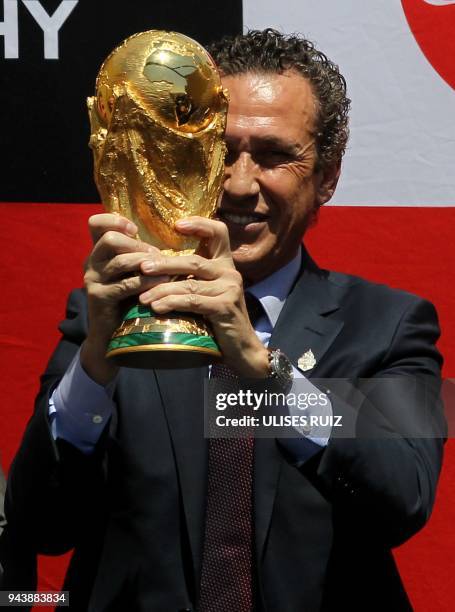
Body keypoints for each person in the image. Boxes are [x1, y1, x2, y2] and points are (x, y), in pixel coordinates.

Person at [1, 29, 445, 611]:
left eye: (273, 156)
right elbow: (41, 524)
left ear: (327, 177)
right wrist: (93, 369)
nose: (238, 184)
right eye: (219, 148)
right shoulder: (111, 312)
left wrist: (268, 376)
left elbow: (403, 499)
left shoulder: (389, 324)